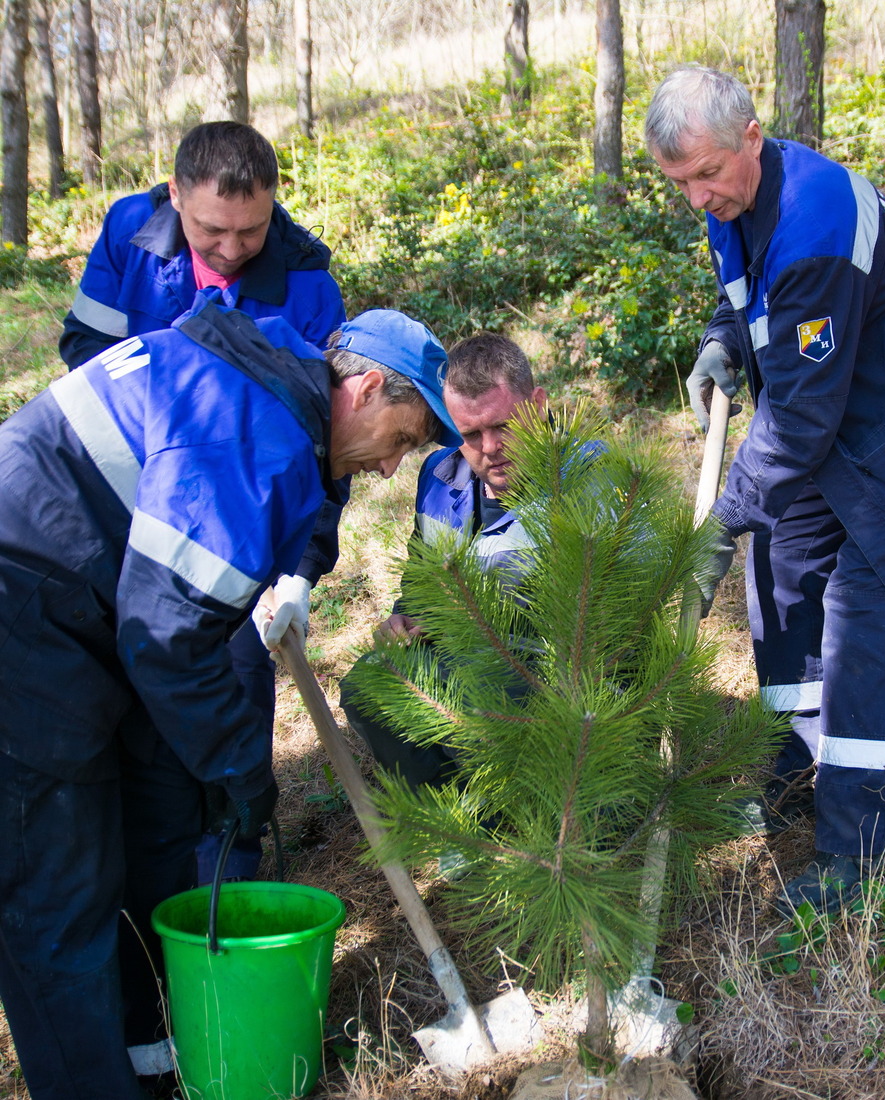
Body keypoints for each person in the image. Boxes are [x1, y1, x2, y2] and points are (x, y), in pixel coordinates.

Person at [0, 293, 461, 1100]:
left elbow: (175, 616)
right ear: (364, 389)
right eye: (402, 440)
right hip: (23, 607)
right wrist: (244, 767)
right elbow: (165, 635)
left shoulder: (272, 382)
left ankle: (154, 1063)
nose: (392, 467)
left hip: (79, 607)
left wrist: (209, 772)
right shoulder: (258, 432)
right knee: (57, 898)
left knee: (152, 834)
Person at [644, 65, 885, 916]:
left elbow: (801, 423)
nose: (697, 196)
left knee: (862, 613)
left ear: (753, 134)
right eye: (679, 184)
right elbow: (753, 299)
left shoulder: (816, 218)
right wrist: (724, 340)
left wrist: (718, 521)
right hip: (836, 421)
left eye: (707, 173)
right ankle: (796, 765)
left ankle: (857, 845)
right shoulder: (741, 198)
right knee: (781, 567)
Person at [59, 121, 347, 891]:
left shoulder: (307, 282)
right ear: (174, 193)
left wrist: (300, 571)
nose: (229, 249)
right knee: (120, 693)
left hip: (230, 535)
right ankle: (141, 883)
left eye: (251, 231)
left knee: (229, 682)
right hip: (120, 512)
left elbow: (326, 448)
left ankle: (225, 884)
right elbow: (85, 353)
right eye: (211, 229)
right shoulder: (130, 234)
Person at [339, 331, 548, 793]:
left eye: (504, 426)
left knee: (473, 699)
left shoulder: (586, 481)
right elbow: (421, 581)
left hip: (545, 675)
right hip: (460, 657)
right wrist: (403, 617)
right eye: (470, 434)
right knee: (366, 686)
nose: (489, 447)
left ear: (537, 404)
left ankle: (518, 813)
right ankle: (453, 808)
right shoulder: (439, 477)